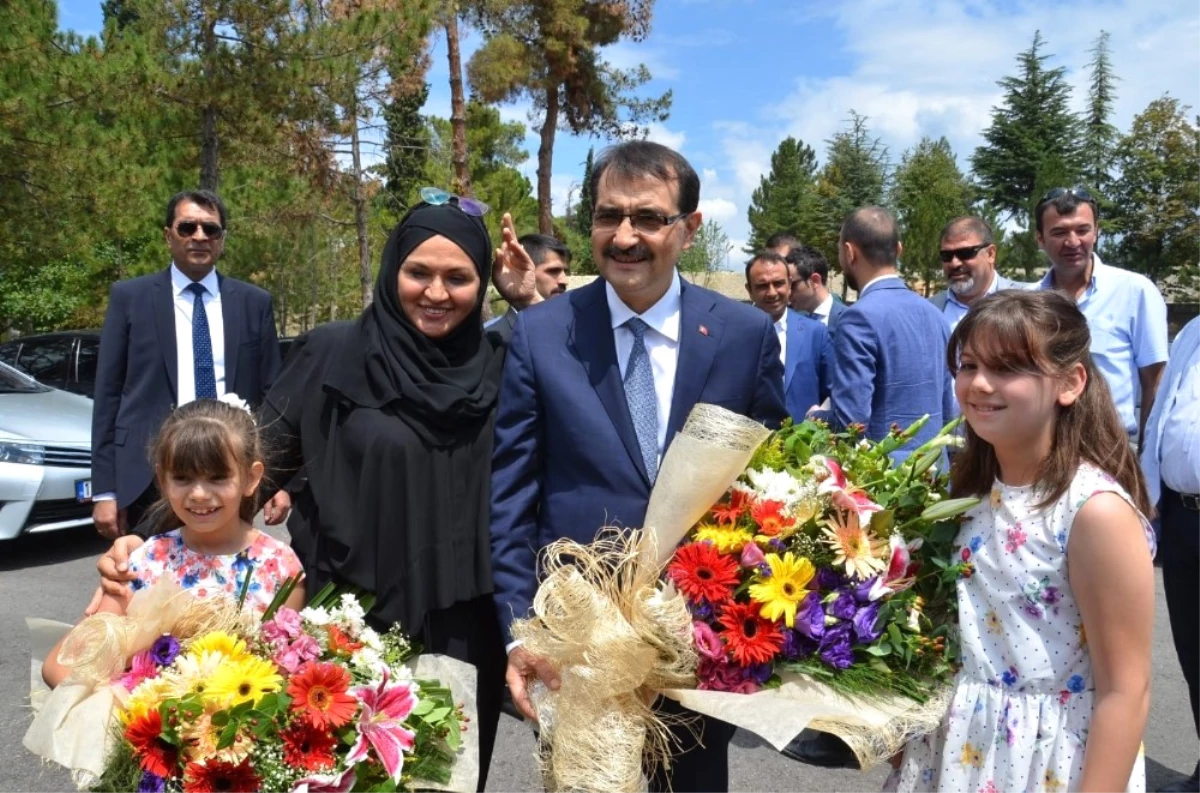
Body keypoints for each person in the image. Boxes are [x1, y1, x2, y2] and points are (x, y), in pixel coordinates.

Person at [93, 197, 538, 793]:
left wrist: (529, 302)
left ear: (481, 284)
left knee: (451, 780)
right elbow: (243, 470)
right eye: (418, 273)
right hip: (348, 626)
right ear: (391, 272)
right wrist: (149, 548)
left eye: (458, 277)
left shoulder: (503, 363)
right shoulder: (333, 352)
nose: (436, 292)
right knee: (344, 780)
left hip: (465, 625)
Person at [491, 140, 786, 793]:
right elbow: (510, 495)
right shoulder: (542, 335)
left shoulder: (744, 335)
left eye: (648, 217)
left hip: (699, 641)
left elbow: (775, 485)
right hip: (580, 644)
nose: (624, 236)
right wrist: (517, 632)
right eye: (607, 216)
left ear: (690, 227)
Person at [886, 289, 1156, 793]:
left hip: (1044, 762)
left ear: (1070, 383)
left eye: (1008, 367)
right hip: (959, 747)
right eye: (969, 365)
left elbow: (1127, 690)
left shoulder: (1093, 511)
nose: (980, 383)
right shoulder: (968, 491)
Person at [44, 397, 305, 687]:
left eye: (218, 478)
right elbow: (61, 665)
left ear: (251, 478)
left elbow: (283, 677)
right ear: (162, 478)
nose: (199, 494)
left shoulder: (280, 569)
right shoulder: (146, 560)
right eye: (182, 478)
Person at [91, 190, 282, 539]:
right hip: (147, 475)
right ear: (168, 235)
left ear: (222, 239)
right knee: (145, 586)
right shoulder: (129, 298)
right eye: (188, 227)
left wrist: (280, 480)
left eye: (211, 229)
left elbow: (274, 397)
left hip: (227, 470)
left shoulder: (254, 303)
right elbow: (107, 397)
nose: (199, 237)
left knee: (221, 584)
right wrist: (105, 490)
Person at [809, 207, 956, 451]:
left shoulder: (858, 318)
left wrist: (816, 416)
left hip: (883, 478)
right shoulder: (935, 314)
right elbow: (947, 411)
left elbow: (850, 424)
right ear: (898, 249)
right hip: (936, 475)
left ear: (849, 252)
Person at [1034, 187, 1168, 448]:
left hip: (1112, 449)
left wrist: (1147, 456)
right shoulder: (1028, 302)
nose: (1072, 242)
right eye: (1059, 232)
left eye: (1082, 230)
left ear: (1097, 232)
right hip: (1043, 447)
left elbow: (1155, 381)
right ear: (1040, 239)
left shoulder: (1134, 291)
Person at [1141, 314, 1200, 793]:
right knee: (1194, 653)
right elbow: (1161, 415)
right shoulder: (1193, 331)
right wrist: (1150, 493)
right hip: (1183, 517)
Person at [744, 250, 831, 423]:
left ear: (790, 284)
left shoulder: (815, 333)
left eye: (778, 283)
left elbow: (833, 391)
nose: (772, 292)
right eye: (762, 286)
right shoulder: (735, 333)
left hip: (803, 444)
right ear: (749, 290)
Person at [928, 216, 1025, 330]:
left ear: (990, 254)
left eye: (965, 253)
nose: (954, 263)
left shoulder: (1026, 302)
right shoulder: (927, 310)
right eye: (946, 255)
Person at [486, 232, 572, 342]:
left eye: (565, 272)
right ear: (521, 272)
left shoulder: (577, 332)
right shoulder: (489, 340)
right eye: (553, 271)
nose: (565, 281)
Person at [786, 244, 848, 335]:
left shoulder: (848, 320)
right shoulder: (792, 321)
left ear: (815, 281)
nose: (787, 293)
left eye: (792, 285)